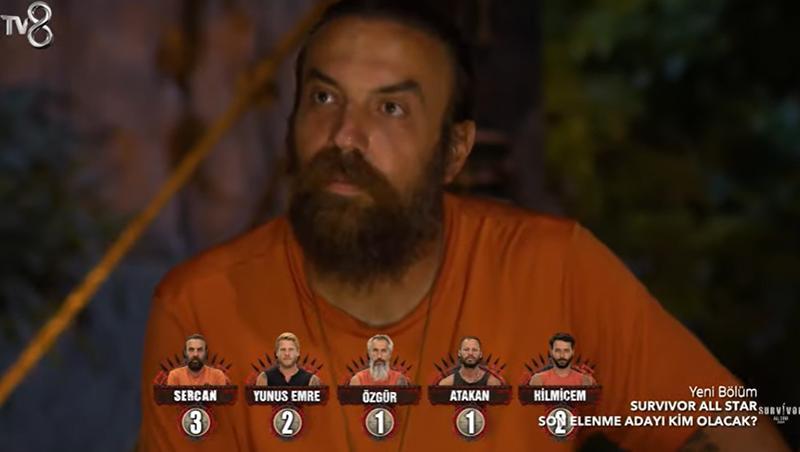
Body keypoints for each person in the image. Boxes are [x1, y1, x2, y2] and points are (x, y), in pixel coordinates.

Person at [139, 1, 789, 450]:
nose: (344, 136)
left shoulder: (555, 272)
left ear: (455, 152)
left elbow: (736, 435)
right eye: (324, 97)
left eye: (390, 109)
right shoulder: (200, 308)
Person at [255, 332, 322, 386]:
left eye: (291, 349)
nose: (287, 353)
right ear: (276, 353)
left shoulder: (311, 380)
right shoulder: (264, 378)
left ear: (298, 352)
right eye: (283, 349)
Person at [528, 333, 595, 386]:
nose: (562, 355)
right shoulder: (538, 380)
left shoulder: (584, 381)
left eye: (566, 351)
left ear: (572, 352)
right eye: (558, 350)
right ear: (551, 352)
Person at [165, 334, 230, 386]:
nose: (195, 354)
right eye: (191, 350)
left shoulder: (217, 375)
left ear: (206, 353)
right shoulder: (174, 375)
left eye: (200, 350)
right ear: (185, 353)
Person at [437, 336, 502, 386]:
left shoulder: (493, 383)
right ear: (459, 353)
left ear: (480, 354)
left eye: (474, 350)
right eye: (466, 349)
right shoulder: (447, 383)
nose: (470, 353)